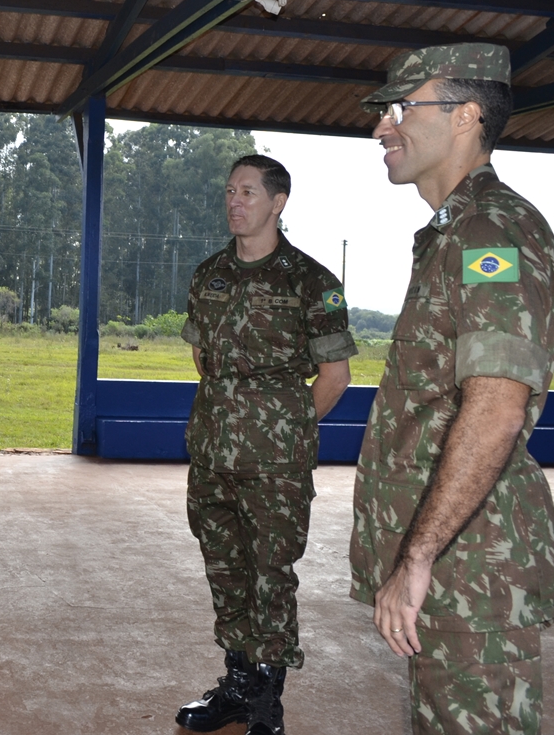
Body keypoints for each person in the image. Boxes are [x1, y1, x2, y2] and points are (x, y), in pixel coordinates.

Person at [350, 43, 554, 734]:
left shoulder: (489, 230)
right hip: (457, 566)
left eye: (401, 107)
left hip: (471, 568)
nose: (382, 127)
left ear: (467, 116)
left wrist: (417, 558)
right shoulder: (453, 234)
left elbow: (498, 405)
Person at [177, 155, 357, 735]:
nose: (235, 201)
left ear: (278, 202)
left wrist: (286, 430)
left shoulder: (311, 282)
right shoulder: (209, 274)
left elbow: (335, 377)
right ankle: (235, 685)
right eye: (230, 190)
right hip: (211, 455)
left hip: (275, 466)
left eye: (248, 192)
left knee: (270, 576)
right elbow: (202, 357)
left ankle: (266, 700)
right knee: (224, 569)